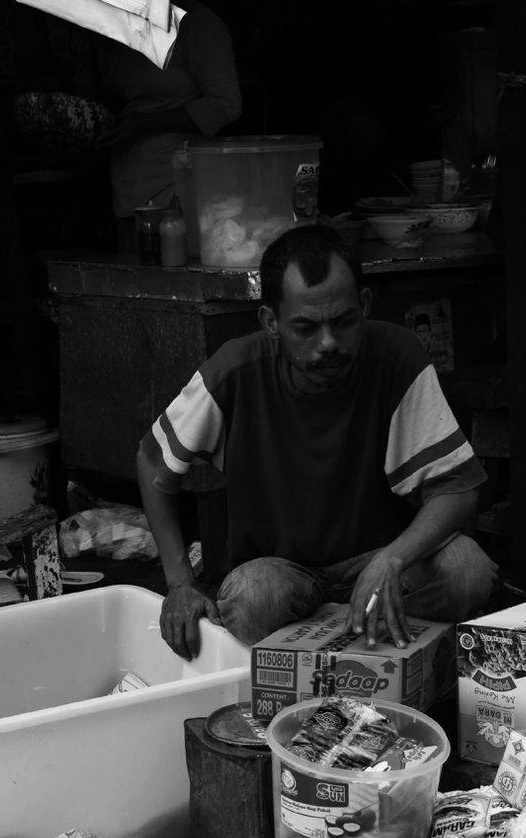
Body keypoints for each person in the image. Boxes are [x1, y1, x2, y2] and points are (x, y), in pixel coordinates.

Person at [136, 224, 496, 659]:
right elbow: (153, 464)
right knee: (253, 599)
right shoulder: (235, 371)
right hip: (283, 573)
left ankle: (365, 635)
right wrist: (179, 584)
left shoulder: (396, 357)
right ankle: (352, 638)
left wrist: (393, 559)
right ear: (271, 322)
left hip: (381, 561)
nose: (328, 343)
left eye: (343, 322)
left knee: (467, 571)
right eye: (305, 328)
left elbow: (459, 488)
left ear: (363, 306)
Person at [97, 0, 242, 230]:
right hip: (128, 185)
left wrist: (145, 124)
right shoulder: (121, 23)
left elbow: (226, 104)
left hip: (175, 188)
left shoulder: (196, 23)